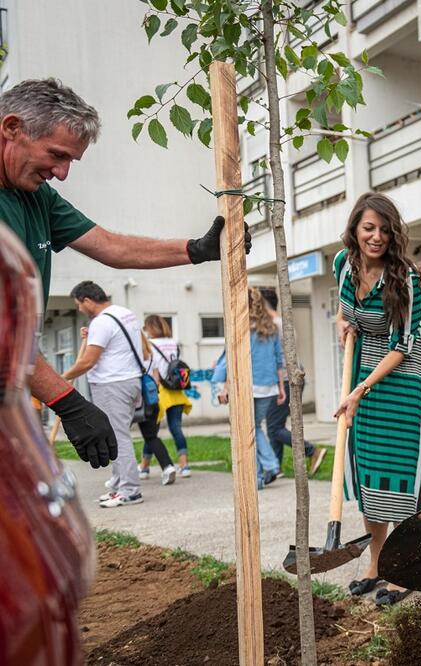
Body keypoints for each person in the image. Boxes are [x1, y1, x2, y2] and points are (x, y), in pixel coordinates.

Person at [0, 78, 250, 471]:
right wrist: (67, 401)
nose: (62, 173)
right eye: (56, 155)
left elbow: (110, 246)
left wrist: (195, 250)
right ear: (12, 128)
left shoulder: (35, 195)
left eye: (70, 161)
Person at [333, 192, 421, 607]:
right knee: (372, 474)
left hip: (405, 377)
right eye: (369, 228)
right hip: (362, 373)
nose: (377, 237)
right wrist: (343, 320)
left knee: (405, 476)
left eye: (385, 230)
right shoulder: (342, 266)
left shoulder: (406, 278)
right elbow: (344, 310)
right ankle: (376, 565)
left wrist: (360, 389)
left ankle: (405, 567)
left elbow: (403, 345)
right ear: (355, 228)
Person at [61, 281, 147, 507]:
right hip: (129, 381)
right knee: (117, 434)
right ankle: (119, 485)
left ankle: (130, 490)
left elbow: (88, 361)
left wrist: (61, 379)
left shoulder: (102, 322)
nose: (79, 309)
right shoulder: (125, 314)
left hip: (112, 385)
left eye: (79, 304)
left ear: (87, 301)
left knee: (118, 437)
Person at [214, 289, 285, 489]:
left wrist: (225, 387)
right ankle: (262, 473)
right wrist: (281, 387)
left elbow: (232, 361)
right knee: (255, 428)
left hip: (247, 386)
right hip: (269, 387)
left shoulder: (240, 328)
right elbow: (278, 359)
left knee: (249, 431)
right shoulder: (270, 327)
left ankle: (265, 470)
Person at [259, 288, 326, 476]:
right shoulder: (283, 323)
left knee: (274, 426)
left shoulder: (272, 325)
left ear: (263, 304)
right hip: (292, 377)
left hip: (284, 381)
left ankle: (312, 451)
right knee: (274, 425)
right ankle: (274, 468)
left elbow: (273, 358)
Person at [140, 315, 192, 479]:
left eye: (146, 328)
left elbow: (149, 367)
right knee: (176, 428)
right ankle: (184, 466)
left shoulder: (150, 344)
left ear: (151, 328)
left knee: (151, 432)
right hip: (176, 391)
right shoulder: (174, 342)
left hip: (160, 391)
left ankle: (144, 467)